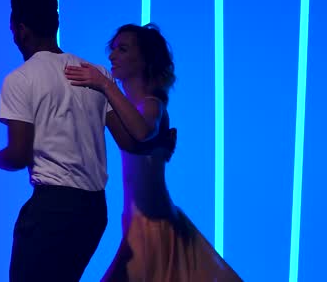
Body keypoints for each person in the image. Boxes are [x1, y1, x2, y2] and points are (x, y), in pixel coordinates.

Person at [0, 0, 175, 282]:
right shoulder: (93, 73)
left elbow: (18, 156)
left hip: (52, 210)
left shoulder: (20, 79)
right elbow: (128, 141)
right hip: (93, 212)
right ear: (55, 23)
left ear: (20, 30)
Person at [64, 23, 242, 281]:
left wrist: (104, 85)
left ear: (145, 60)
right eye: (112, 50)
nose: (112, 56)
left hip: (154, 228)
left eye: (122, 49)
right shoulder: (127, 104)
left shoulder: (151, 105)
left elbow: (142, 131)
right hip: (139, 225)